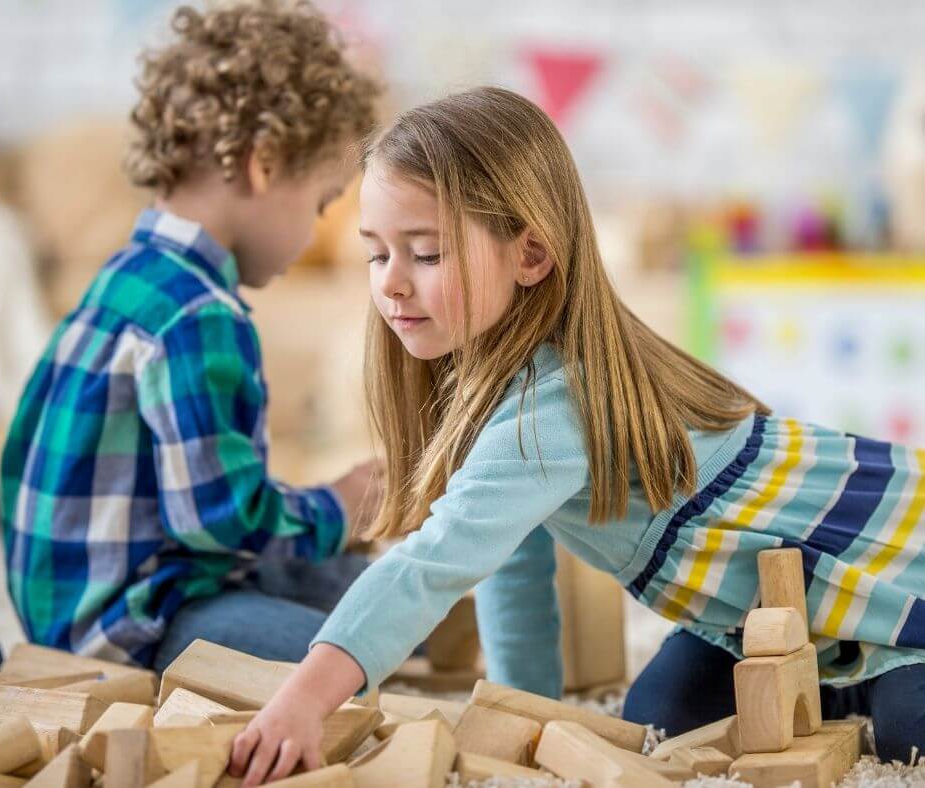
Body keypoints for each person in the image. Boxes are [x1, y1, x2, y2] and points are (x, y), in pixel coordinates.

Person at [228, 86, 925, 785]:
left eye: (427, 255)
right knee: (659, 717)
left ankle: (870, 664)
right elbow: (513, 568)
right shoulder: (497, 385)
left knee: (909, 737)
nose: (392, 286)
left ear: (530, 255)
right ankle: (835, 670)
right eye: (378, 255)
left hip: (884, 556)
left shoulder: (550, 407)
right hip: (762, 608)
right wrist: (525, 715)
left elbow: (431, 567)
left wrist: (303, 700)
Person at [0, 0, 383, 671]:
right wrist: (341, 504)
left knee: (370, 592)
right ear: (264, 165)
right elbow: (222, 521)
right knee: (351, 654)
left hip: (102, 596)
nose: (320, 230)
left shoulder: (129, 276)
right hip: (127, 628)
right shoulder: (196, 312)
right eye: (320, 204)